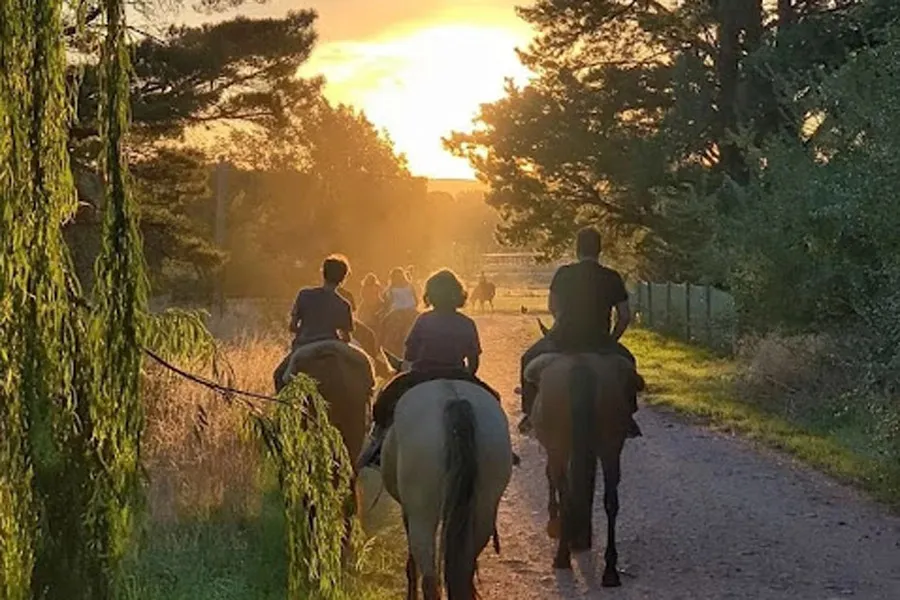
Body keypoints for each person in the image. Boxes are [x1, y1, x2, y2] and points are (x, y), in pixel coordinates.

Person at [357, 268, 508, 469]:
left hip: (422, 374)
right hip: (459, 373)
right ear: (458, 294)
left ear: (431, 295)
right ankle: (500, 449)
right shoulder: (467, 323)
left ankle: (377, 445)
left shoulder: (424, 320)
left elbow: (409, 355)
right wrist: (467, 377)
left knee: (384, 400)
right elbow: (474, 361)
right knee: (494, 399)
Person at [517, 227, 642, 438]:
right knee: (629, 362)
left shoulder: (564, 273)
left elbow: (553, 307)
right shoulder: (612, 277)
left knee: (527, 359)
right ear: (599, 250)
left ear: (577, 250)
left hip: (562, 340)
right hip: (600, 341)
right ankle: (627, 416)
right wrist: (612, 340)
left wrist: (564, 325)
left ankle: (529, 413)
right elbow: (624, 316)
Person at [272, 254, 354, 392]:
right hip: (331, 349)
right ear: (343, 278)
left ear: (323, 273)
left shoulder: (304, 295)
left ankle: (283, 409)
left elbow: (292, 326)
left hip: (304, 347)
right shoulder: (344, 305)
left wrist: (304, 330)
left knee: (279, 376)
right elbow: (346, 338)